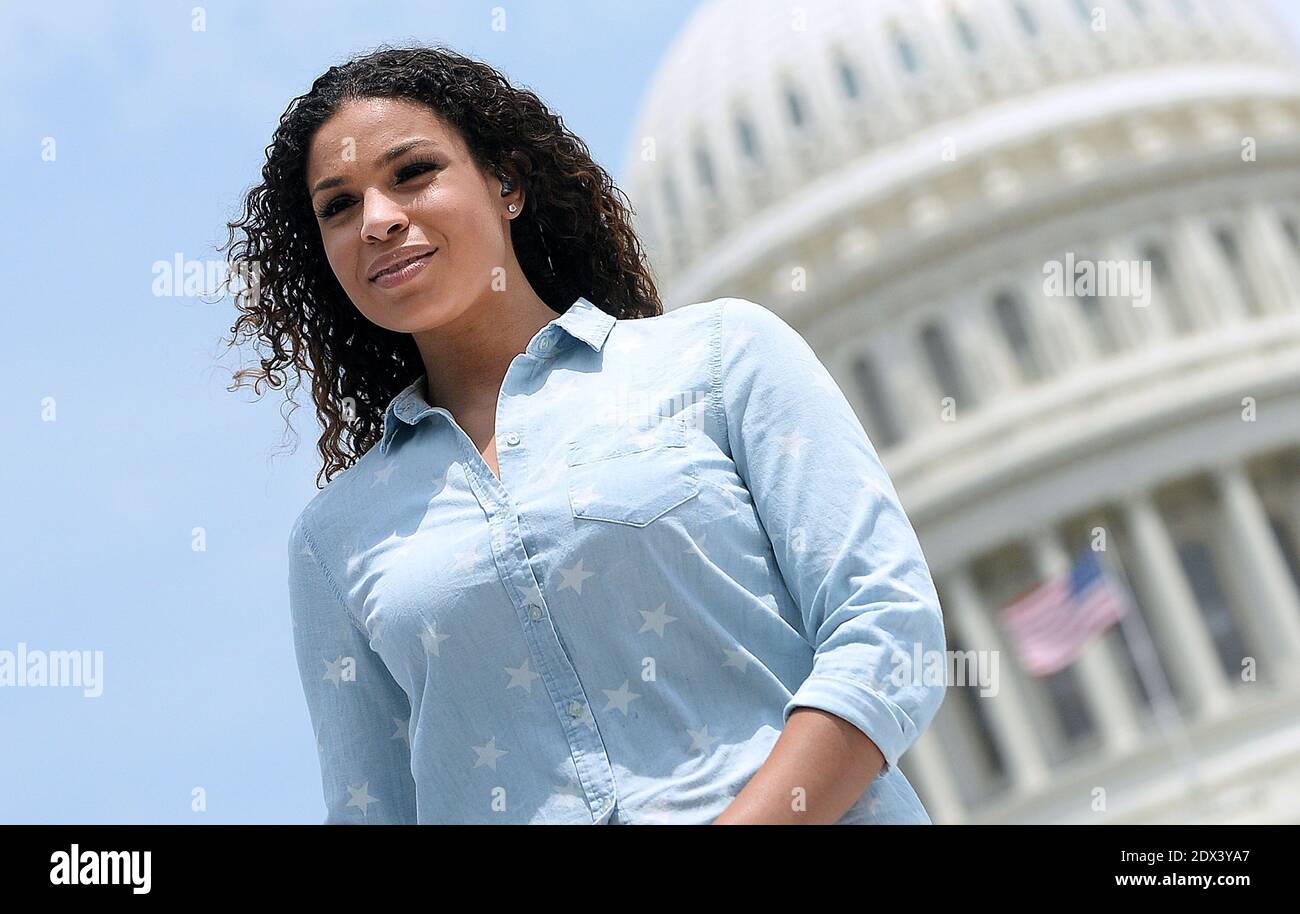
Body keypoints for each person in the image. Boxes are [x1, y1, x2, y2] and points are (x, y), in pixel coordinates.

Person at [221, 44, 947, 825]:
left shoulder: (719, 361)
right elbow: (373, 811)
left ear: (507, 183)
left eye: (412, 173)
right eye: (338, 206)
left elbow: (886, 632)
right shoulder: (334, 544)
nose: (378, 220)